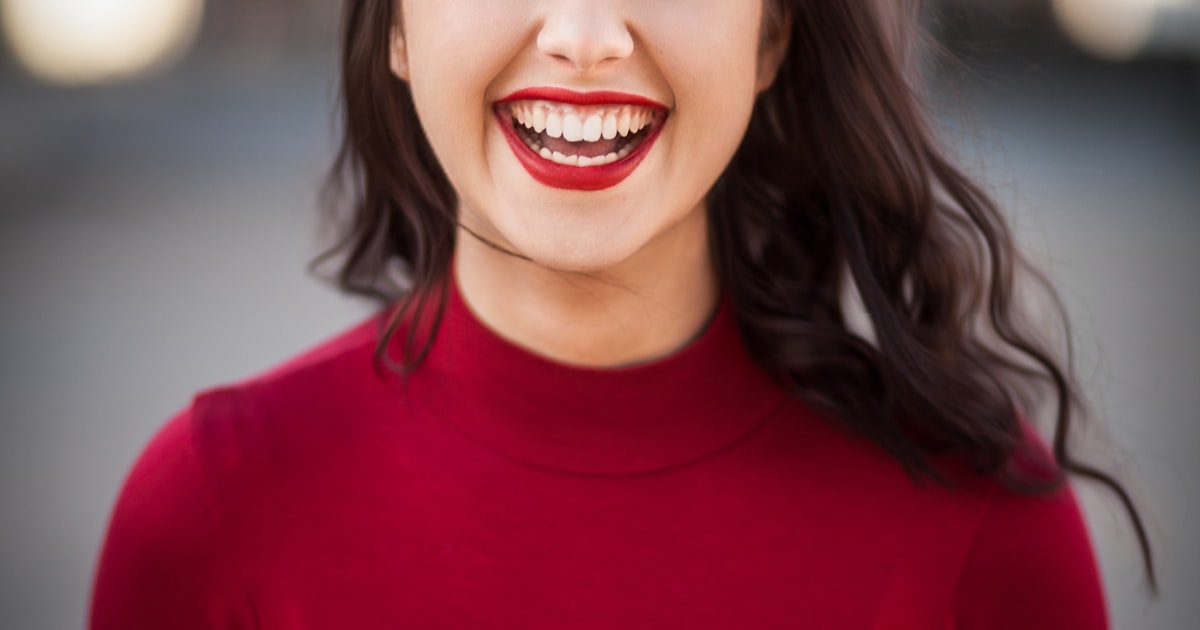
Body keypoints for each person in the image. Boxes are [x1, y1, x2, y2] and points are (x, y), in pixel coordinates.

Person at [91, 0, 1155, 627]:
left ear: (773, 33)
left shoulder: (983, 524)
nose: (587, 37)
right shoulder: (210, 511)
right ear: (397, 27)